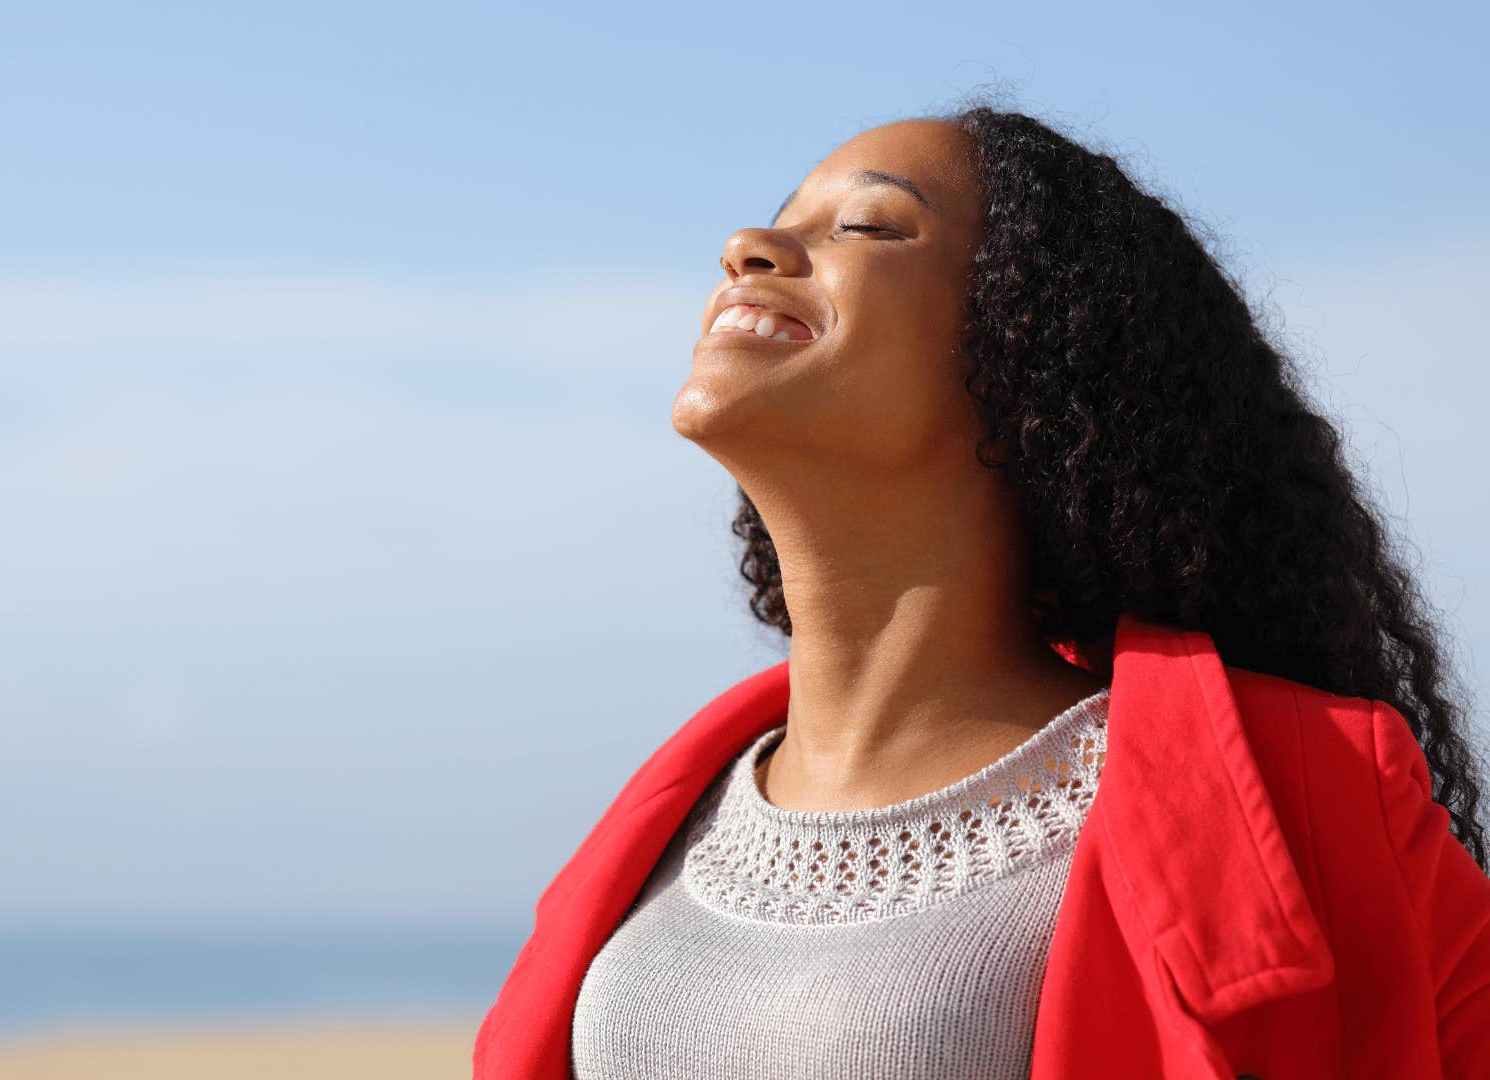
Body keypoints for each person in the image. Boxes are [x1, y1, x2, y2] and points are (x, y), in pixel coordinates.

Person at [474, 99, 1490, 1079]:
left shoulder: (1316, 800)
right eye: (773, 222)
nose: (748, 245)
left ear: (1031, 354)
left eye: (870, 225)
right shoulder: (662, 824)